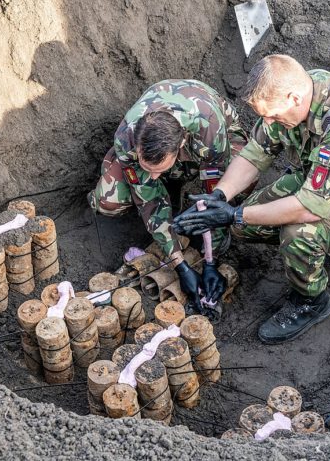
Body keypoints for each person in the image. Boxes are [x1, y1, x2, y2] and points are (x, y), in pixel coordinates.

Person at [174, 55, 330, 344]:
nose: (269, 123)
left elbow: (306, 208)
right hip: (326, 184)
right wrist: (220, 196)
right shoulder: (297, 92)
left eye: (273, 116)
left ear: (293, 99)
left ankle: (312, 301)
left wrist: (232, 215)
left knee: (298, 233)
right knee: (246, 223)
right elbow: (255, 152)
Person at [88, 79, 253, 313]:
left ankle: (179, 181)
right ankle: (171, 182)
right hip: (171, 148)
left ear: (181, 145)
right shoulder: (127, 137)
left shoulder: (208, 129)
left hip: (214, 135)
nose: (152, 177)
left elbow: (215, 194)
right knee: (109, 201)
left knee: (242, 178)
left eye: (159, 170)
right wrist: (180, 265)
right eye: (148, 168)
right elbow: (150, 202)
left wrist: (210, 260)